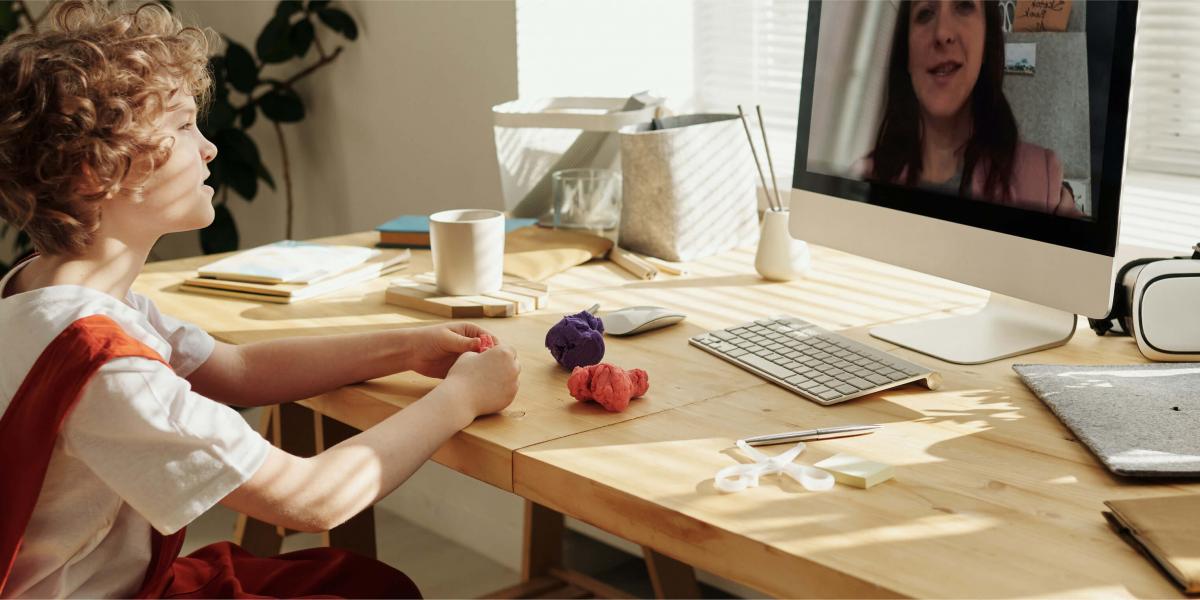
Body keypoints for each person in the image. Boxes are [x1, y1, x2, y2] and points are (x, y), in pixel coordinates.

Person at [0, 1, 521, 597]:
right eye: (179, 126)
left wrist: (406, 347)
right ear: (98, 172)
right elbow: (311, 498)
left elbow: (238, 370)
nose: (208, 148)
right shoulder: (104, 364)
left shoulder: (37, 292)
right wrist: (463, 396)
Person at [861, 0, 1084, 217]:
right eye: (925, 13)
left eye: (963, 5)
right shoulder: (861, 177)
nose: (942, 33)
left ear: (987, 40)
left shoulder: (1042, 182)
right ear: (906, 54)